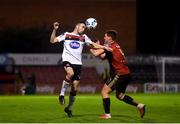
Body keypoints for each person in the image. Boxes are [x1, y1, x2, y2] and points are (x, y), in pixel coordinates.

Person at [50, 21, 111, 117]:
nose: (83, 29)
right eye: (82, 27)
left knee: (74, 89)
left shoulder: (84, 37)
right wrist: (55, 29)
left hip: (78, 64)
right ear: (77, 26)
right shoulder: (66, 35)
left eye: (85, 28)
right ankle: (61, 94)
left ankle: (68, 108)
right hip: (67, 61)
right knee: (70, 73)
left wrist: (104, 47)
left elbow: (93, 45)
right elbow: (52, 40)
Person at [90, 30, 146, 119]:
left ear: (109, 38)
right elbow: (102, 56)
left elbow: (95, 53)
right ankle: (140, 105)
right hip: (126, 73)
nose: (104, 37)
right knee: (120, 95)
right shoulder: (116, 45)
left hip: (119, 74)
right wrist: (95, 46)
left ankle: (107, 115)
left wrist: (90, 44)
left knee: (104, 92)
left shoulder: (109, 46)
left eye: (105, 36)